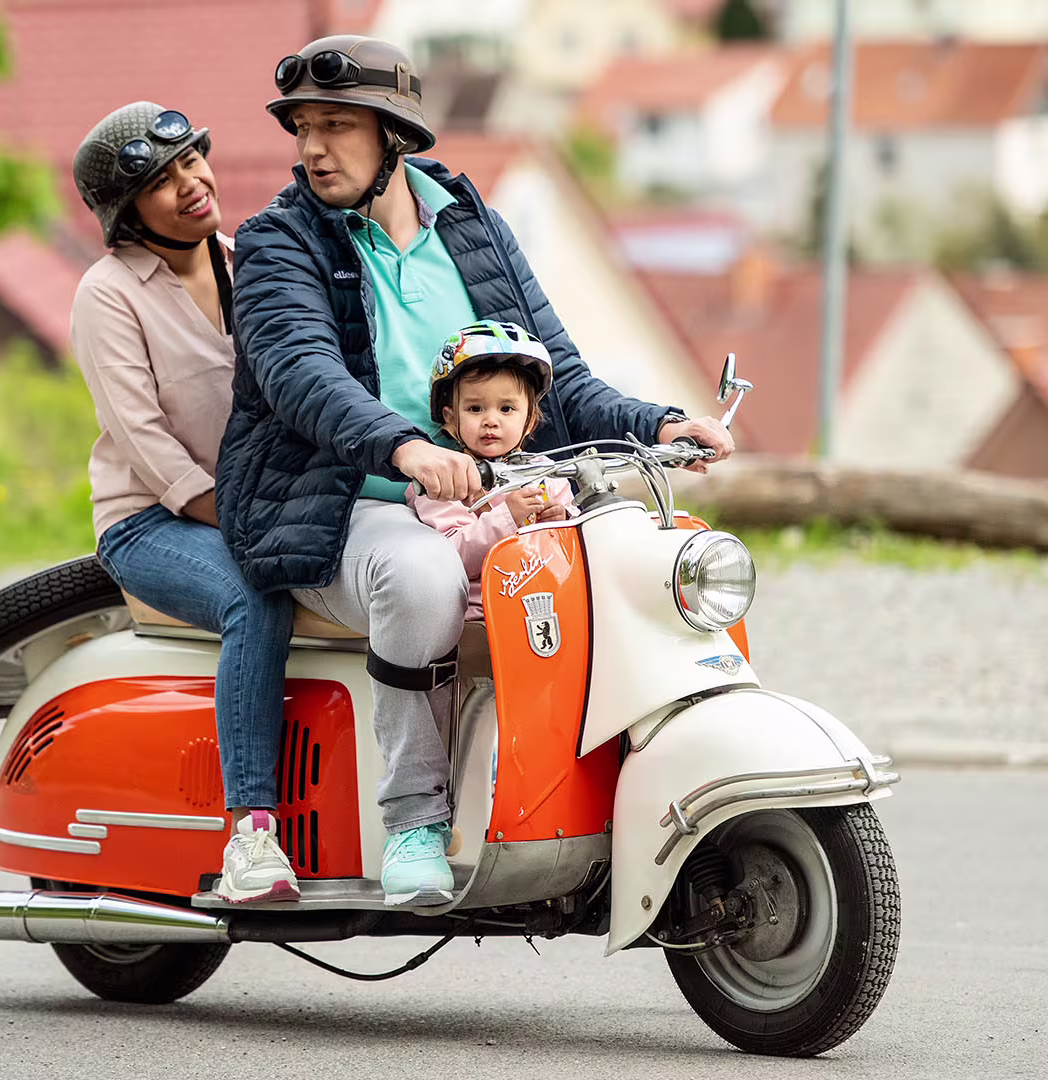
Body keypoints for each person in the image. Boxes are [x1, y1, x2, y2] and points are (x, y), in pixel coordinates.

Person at [217, 36, 736, 906]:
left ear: (396, 138)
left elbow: (554, 372)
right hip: (342, 501)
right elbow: (300, 372)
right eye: (302, 128)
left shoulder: (469, 224)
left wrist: (658, 421)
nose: (311, 148)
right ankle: (416, 822)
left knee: (630, 557)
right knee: (421, 581)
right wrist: (404, 447)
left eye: (336, 126)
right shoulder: (277, 242)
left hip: (490, 494)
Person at [68, 101, 299, 904]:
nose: (190, 185)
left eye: (191, 162)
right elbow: (145, 442)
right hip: (151, 521)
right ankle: (253, 835)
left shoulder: (244, 263)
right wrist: (247, 523)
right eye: (161, 183)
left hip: (251, 507)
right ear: (127, 216)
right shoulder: (108, 295)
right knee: (253, 597)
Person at [409, 321, 576, 618]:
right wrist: (507, 517)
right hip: (482, 614)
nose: (490, 420)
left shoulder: (548, 474)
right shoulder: (443, 479)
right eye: (475, 409)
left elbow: (574, 550)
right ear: (449, 418)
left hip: (551, 605)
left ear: (530, 420)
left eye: (506, 409)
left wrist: (562, 520)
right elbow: (451, 556)